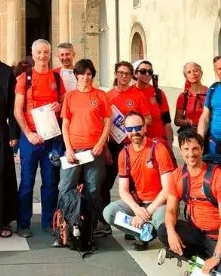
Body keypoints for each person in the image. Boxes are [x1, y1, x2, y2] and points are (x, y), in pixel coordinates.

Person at [158, 127, 221, 276]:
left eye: (195, 149)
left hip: (219, 235)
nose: (191, 154)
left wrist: (217, 257)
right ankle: (200, 258)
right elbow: (171, 210)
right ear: (180, 150)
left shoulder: (218, 177)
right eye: (186, 149)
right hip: (198, 232)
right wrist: (172, 232)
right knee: (164, 230)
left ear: (202, 149)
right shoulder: (177, 176)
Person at [13, 39, 65, 237]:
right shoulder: (23, 79)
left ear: (50, 54)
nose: (43, 56)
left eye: (46, 52)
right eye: (39, 52)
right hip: (30, 138)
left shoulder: (57, 78)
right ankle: (24, 223)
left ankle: (48, 221)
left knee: (50, 182)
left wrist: (59, 107)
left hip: (51, 138)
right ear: (32, 54)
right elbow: (18, 111)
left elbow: (63, 104)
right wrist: (28, 134)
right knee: (26, 182)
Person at [103, 111, 172, 250]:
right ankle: (143, 232)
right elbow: (123, 189)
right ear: (125, 131)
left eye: (138, 128)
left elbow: (168, 189)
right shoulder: (124, 154)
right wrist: (137, 209)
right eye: (129, 129)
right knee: (109, 213)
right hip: (139, 202)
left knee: (161, 221)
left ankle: (149, 230)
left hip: (158, 203)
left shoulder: (159, 149)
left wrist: (146, 213)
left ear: (145, 128)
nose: (134, 132)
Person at [60, 58, 112, 238]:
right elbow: (65, 125)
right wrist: (68, 148)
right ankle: (67, 223)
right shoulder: (70, 96)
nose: (85, 77)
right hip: (73, 149)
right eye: (81, 73)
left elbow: (107, 123)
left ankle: (91, 225)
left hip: (93, 150)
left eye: (89, 74)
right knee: (66, 186)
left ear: (93, 76)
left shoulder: (100, 96)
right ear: (76, 75)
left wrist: (101, 143)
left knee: (93, 189)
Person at [101, 62, 152, 212]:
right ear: (116, 74)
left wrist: (132, 124)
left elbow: (148, 119)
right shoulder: (107, 96)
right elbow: (102, 124)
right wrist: (105, 148)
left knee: (133, 185)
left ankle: (134, 220)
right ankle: (104, 221)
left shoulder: (138, 95)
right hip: (113, 145)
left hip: (132, 145)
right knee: (105, 183)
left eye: (127, 73)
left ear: (131, 76)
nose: (124, 76)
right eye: (121, 73)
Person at [0, 58, 18, 238]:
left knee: (2, 175)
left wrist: (13, 133)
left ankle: (4, 221)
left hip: (0, 130)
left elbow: (13, 106)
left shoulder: (5, 72)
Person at [133, 59, 174, 150]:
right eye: (143, 71)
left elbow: (167, 122)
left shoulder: (158, 93)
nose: (147, 74)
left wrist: (169, 146)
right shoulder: (130, 93)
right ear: (135, 74)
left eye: (150, 72)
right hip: (139, 143)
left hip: (159, 142)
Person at [174, 62, 208, 130]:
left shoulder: (210, 93)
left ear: (201, 73)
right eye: (189, 72)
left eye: (195, 71)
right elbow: (177, 121)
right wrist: (187, 122)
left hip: (208, 133)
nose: (193, 74)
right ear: (186, 77)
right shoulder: (183, 96)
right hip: (191, 134)